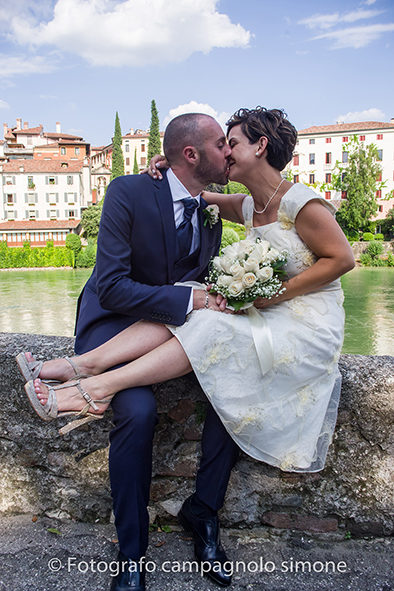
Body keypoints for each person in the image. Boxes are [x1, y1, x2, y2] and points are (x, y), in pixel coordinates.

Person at [18, 107, 355, 589]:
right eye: (221, 143)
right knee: (139, 409)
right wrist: (170, 162)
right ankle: (131, 554)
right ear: (194, 153)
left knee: (230, 380)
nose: (227, 150)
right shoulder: (145, 193)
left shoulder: (264, 204)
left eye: (231, 141)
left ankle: (204, 512)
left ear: (257, 147)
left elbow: (341, 258)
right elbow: (116, 284)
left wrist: (258, 294)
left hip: (298, 320)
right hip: (117, 324)